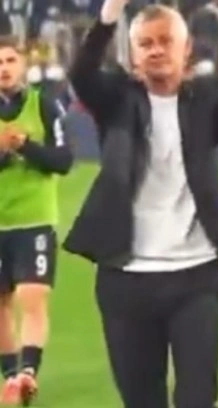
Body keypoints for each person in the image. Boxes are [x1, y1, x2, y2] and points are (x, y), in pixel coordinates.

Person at [61, 0, 218, 407]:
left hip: (196, 273)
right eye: (145, 43)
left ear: (185, 48)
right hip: (125, 276)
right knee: (141, 399)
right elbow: (81, 74)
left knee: (198, 396)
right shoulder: (116, 99)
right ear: (132, 54)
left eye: (165, 41)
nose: (156, 50)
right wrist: (108, 17)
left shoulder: (206, 98)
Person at [0, 36, 73, 405]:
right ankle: (11, 377)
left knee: (32, 295)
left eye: (10, 60)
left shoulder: (45, 105)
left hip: (34, 220)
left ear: (24, 65)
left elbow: (64, 160)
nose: (3, 68)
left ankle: (28, 372)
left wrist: (25, 146)